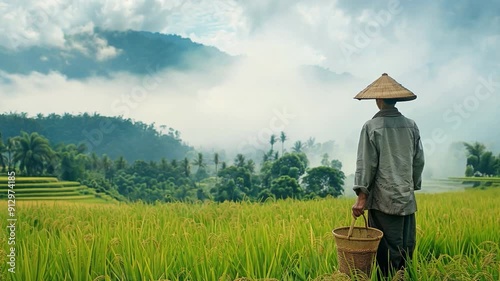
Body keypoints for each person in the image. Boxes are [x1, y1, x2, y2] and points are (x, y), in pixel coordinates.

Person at [351, 73, 425, 279]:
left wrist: (361, 198)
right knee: (405, 246)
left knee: (386, 249)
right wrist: (411, 185)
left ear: (379, 100)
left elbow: (366, 164)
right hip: (406, 197)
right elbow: (418, 160)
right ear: (396, 100)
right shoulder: (411, 125)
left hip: (383, 200)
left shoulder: (371, 127)